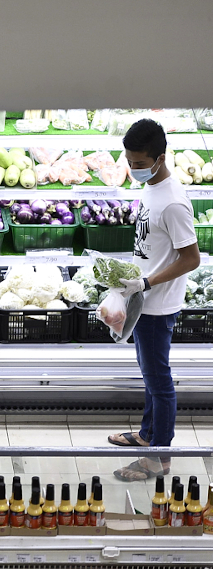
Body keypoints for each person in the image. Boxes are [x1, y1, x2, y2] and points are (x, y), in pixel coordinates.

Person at [110, 119, 199, 482]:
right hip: (142, 298)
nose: (133, 168)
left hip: (157, 305)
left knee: (159, 382)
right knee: (149, 376)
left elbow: (191, 258)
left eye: (140, 162)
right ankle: (147, 436)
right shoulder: (151, 191)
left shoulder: (174, 203)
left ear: (160, 158)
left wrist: (146, 282)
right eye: (129, 161)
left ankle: (159, 458)